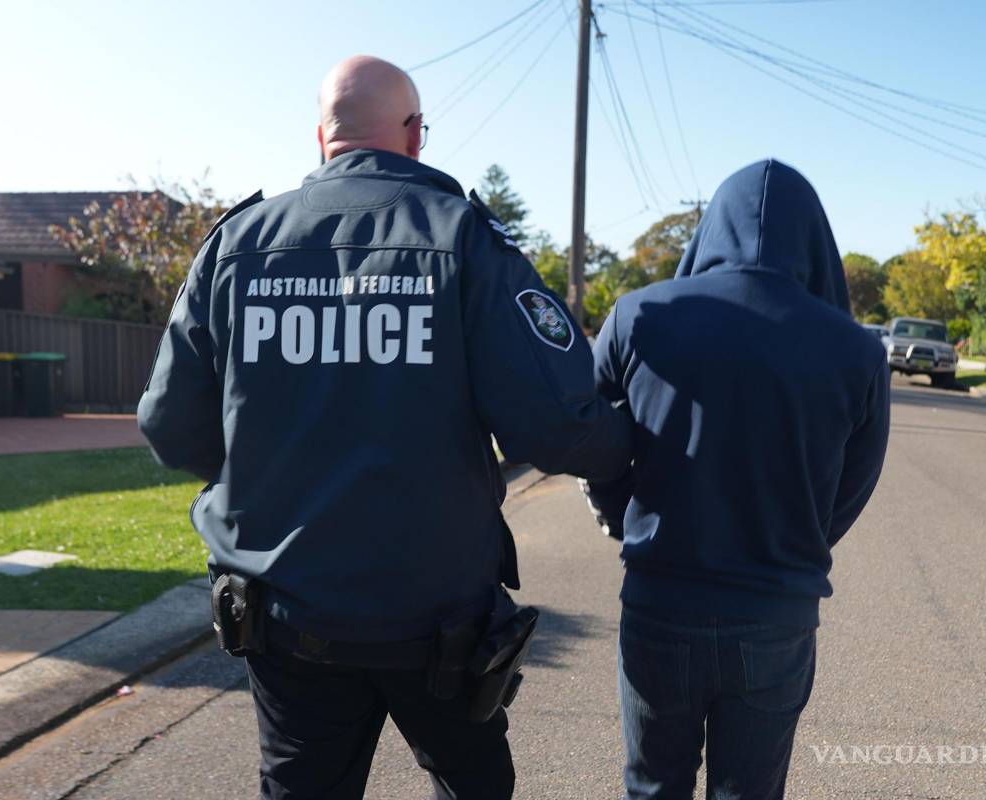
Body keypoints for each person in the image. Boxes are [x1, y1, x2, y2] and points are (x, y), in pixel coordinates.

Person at [137, 55, 632, 800]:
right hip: (435, 618)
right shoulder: (464, 241)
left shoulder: (235, 246)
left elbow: (171, 425)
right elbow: (559, 425)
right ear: (412, 133)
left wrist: (264, 478)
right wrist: (646, 446)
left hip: (284, 609)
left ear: (321, 137)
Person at [585, 159, 891, 799]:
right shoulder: (858, 351)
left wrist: (622, 516)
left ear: (709, 228)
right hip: (776, 613)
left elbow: (592, 440)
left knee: (651, 789)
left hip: (660, 599)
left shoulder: (638, 316)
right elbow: (854, 483)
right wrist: (795, 536)